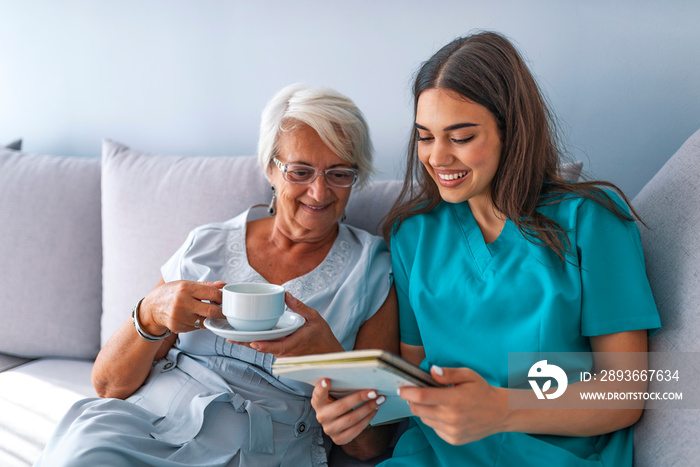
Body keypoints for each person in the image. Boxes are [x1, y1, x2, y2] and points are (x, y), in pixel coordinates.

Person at [311, 31, 661, 465]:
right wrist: (353, 417)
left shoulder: (591, 221)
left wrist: (502, 409)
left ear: (510, 132)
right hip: (432, 456)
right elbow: (413, 385)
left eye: (460, 137)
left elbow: (626, 393)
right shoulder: (411, 235)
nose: (437, 157)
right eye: (425, 136)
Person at [35, 83, 398, 466]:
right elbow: (108, 386)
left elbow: (370, 445)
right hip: (149, 424)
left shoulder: (372, 270)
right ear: (270, 169)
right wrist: (149, 313)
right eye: (300, 171)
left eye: (340, 173)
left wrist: (328, 357)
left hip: (262, 450)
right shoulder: (206, 244)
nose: (319, 191)